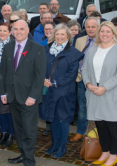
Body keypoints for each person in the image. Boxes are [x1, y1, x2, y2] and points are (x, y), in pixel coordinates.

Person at [81, 21, 117, 166]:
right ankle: (105, 152)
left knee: (113, 127)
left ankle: (113, 155)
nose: (104, 34)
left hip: (112, 94)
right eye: (102, 31)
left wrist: (105, 87)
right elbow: (84, 69)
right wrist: (88, 84)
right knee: (101, 126)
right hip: (94, 93)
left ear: (114, 34)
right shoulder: (93, 50)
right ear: (98, 33)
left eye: (108, 31)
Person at [0, 20, 46, 166]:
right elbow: (3, 73)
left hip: (29, 98)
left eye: (21, 29)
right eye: (15, 29)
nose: (18, 32)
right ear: (12, 31)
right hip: (12, 96)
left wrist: (33, 96)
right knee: (18, 128)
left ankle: (29, 160)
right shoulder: (8, 47)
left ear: (27, 31)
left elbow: (40, 76)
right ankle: (23, 153)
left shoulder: (37, 48)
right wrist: (3, 93)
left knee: (29, 129)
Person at [40, 24, 83, 159]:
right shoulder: (46, 50)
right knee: (52, 119)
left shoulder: (74, 53)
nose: (59, 37)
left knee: (62, 119)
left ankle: (62, 147)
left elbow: (71, 74)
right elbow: (39, 67)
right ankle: (54, 144)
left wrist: (53, 82)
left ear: (68, 36)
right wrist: (43, 79)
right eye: (57, 34)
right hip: (49, 91)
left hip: (64, 92)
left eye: (63, 34)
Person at [69, 17, 100, 142]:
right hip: (81, 79)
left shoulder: (102, 41)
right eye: (88, 27)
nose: (91, 29)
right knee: (82, 107)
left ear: (98, 27)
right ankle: (81, 132)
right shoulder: (79, 40)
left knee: (98, 107)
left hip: (97, 81)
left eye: (93, 27)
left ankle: (97, 133)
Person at [0, 22, 15, 148]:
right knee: (0, 110)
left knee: (8, 110)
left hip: (7, 83)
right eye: (0, 30)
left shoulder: (13, 46)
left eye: (5, 31)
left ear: (10, 32)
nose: (2, 33)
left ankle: (11, 133)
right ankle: (3, 132)